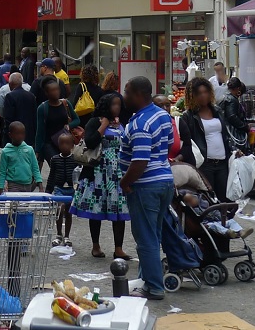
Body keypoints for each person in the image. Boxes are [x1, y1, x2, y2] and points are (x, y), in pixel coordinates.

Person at [120, 76, 175, 301]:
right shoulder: (162, 115)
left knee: (145, 238)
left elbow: (140, 161)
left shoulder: (140, 123)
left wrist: (125, 182)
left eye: (127, 92)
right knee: (154, 234)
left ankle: (153, 287)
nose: (124, 97)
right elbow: (170, 144)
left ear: (139, 95)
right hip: (164, 181)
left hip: (145, 186)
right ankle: (146, 279)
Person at [70, 93, 132, 260]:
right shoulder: (95, 121)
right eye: (113, 105)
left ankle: (118, 248)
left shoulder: (121, 124)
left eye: (119, 104)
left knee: (119, 209)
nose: (117, 108)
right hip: (97, 172)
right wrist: (103, 126)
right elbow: (89, 142)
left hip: (116, 172)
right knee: (95, 208)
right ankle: (95, 245)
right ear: (106, 106)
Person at [178, 77, 236, 201]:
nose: (203, 96)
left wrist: (234, 151)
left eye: (206, 92)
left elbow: (225, 136)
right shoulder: (188, 116)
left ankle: (224, 221)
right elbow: (187, 143)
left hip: (222, 163)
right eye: (199, 93)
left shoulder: (218, 111)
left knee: (224, 200)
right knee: (207, 201)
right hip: (204, 164)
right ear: (192, 96)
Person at [35, 76, 80, 168]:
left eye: (57, 89)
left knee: (68, 168)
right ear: (47, 93)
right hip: (49, 143)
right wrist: (38, 151)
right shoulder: (42, 108)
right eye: (52, 90)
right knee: (57, 167)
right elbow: (40, 131)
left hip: (65, 142)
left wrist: (69, 125)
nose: (56, 92)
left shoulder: (65, 103)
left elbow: (77, 120)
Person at [181, 191, 253, 239]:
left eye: (193, 198)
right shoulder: (193, 211)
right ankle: (228, 232)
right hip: (207, 225)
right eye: (190, 201)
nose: (194, 200)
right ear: (187, 204)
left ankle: (241, 232)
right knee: (215, 225)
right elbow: (199, 218)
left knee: (231, 221)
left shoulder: (204, 204)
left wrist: (222, 216)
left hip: (218, 220)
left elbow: (215, 212)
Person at [47, 133, 77, 247]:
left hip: (71, 189)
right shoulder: (54, 159)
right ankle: (59, 234)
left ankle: (67, 236)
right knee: (60, 209)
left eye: (67, 143)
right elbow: (51, 175)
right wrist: (48, 191)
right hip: (59, 188)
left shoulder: (75, 159)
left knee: (68, 213)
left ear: (72, 145)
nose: (64, 146)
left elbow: (78, 175)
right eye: (62, 143)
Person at [0, 122, 43, 193]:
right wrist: (0, 189)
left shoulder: (29, 150)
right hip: (13, 184)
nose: (20, 136)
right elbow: (2, 171)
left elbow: (35, 168)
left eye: (22, 133)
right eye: (17, 134)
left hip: (28, 184)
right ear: (10, 135)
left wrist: (40, 185)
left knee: (25, 204)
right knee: (15, 203)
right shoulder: (6, 152)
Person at [1, 73, 37, 150]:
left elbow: (8, 117)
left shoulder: (10, 96)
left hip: (15, 134)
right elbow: (34, 116)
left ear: (10, 84)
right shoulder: (31, 96)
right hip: (29, 133)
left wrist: (7, 132)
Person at [218, 77, 249, 152]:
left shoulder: (224, 97)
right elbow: (232, 117)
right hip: (232, 133)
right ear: (238, 88)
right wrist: (245, 126)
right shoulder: (232, 99)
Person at [153, 95, 181, 161]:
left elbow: (187, 146)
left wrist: (177, 159)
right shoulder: (146, 125)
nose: (165, 108)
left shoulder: (178, 122)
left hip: (176, 167)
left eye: (168, 105)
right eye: (160, 106)